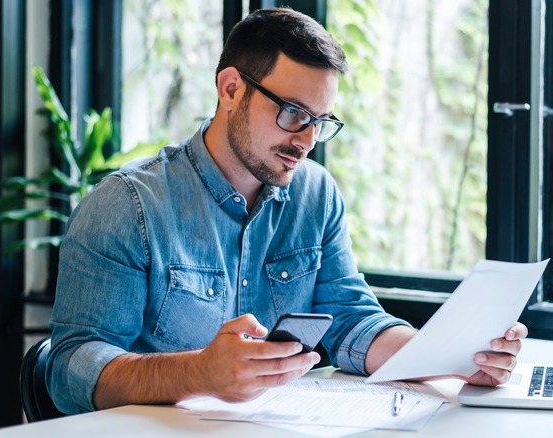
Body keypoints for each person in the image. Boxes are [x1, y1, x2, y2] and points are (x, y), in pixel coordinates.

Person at [46, 7, 528, 415]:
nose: (306, 141)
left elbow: (349, 317)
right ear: (231, 89)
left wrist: (452, 356)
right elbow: (70, 369)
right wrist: (197, 373)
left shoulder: (315, 195)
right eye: (293, 113)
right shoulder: (128, 204)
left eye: (320, 122)